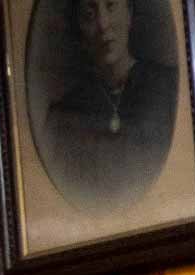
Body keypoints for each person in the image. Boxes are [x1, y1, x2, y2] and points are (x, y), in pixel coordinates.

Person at [38, 0, 177, 207]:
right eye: (89, 15)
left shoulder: (168, 89)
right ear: (79, 29)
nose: (103, 24)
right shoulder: (63, 117)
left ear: (129, 13)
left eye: (111, 6)